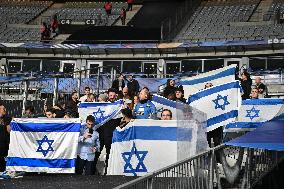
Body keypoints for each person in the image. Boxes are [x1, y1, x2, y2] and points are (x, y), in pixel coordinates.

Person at [94, 88, 121, 175]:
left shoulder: (119, 107)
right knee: (96, 153)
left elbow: (124, 117)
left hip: (111, 135)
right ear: (108, 95)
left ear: (116, 96)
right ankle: (91, 171)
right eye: (110, 95)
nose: (112, 97)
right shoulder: (102, 106)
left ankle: (108, 172)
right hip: (101, 134)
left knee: (110, 154)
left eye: (113, 96)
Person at [0, 103, 12, 172]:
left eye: (5, 109)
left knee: (4, 156)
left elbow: (9, 130)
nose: (5, 110)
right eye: (3, 109)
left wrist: (8, 124)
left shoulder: (7, 118)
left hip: (4, 142)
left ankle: (3, 170)